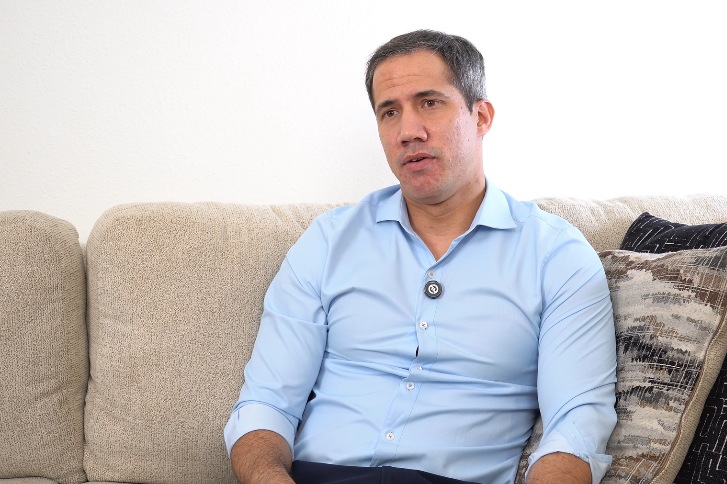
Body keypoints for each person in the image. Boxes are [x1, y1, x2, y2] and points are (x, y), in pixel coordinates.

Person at [224, 29, 617, 484]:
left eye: (430, 102)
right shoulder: (328, 241)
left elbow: (576, 428)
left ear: (481, 116)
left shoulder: (557, 256)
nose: (408, 131)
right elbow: (266, 404)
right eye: (389, 112)